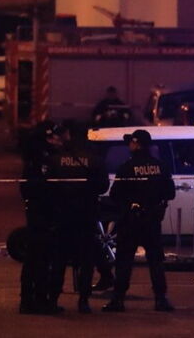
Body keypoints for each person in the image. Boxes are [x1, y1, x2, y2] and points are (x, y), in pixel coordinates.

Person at [103, 129, 175, 312]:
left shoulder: (127, 167)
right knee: (155, 261)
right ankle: (161, 299)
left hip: (130, 220)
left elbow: (115, 194)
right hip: (152, 220)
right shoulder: (160, 166)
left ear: (137, 144)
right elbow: (170, 193)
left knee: (124, 261)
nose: (130, 146)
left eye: (131, 143)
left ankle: (118, 299)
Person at [47, 122, 110, 314]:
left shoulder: (56, 159)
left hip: (62, 216)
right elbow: (103, 187)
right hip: (86, 215)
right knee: (86, 262)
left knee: (59, 261)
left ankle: (53, 300)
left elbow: (48, 187)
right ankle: (83, 300)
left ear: (69, 135)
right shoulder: (94, 159)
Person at [18, 123, 60, 314]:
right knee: (40, 259)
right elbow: (46, 189)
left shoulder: (33, 160)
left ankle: (31, 299)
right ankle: (36, 300)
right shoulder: (43, 161)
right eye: (51, 138)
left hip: (37, 213)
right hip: (42, 214)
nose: (56, 141)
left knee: (35, 259)